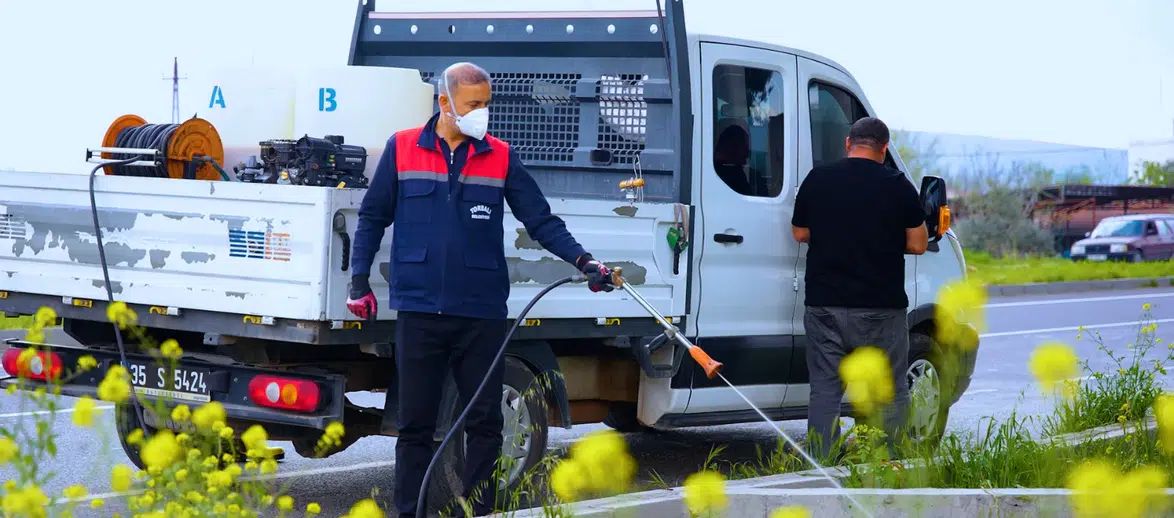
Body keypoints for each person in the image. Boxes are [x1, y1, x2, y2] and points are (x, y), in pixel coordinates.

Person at [345, 62, 615, 518]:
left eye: (486, 103)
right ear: (444, 102)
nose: (482, 113)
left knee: (485, 422)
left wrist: (585, 261)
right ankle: (410, 512)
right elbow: (373, 218)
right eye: (473, 104)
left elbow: (541, 221)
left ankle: (478, 511)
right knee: (415, 426)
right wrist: (358, 281)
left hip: (481, 312)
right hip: (419, 310)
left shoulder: (501, 155)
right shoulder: (403, 148)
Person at [790, 116, 928, 460]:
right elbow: (918, 244)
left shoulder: (818, 178)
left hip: (824, 304)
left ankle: (823, 464)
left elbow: (800, 232)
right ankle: (892, 462)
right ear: (884, 149)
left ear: (848, 144)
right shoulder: (897, 185)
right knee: (891, 391)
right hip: (881, 307)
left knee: (825, 391)